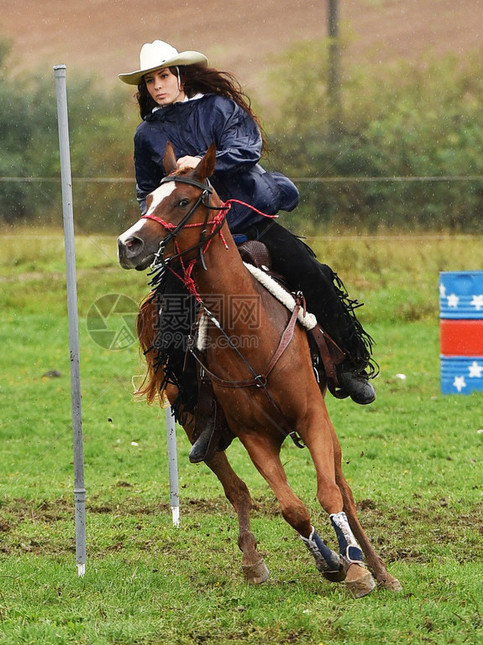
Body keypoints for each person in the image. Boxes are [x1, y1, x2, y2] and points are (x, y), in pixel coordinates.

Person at [119, 40, 377, 461]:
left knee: (311, 272)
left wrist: (197, 165)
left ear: (181, 77)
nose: (158, 85)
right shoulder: (146, 134)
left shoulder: (219, 108)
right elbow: (146, 191)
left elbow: (246, 150)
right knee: (170, 320)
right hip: (192, 237)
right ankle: (201, 415)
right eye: (150, 80)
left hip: (247, 219)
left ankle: (347, 364)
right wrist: (157, 216)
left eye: (164, 76)